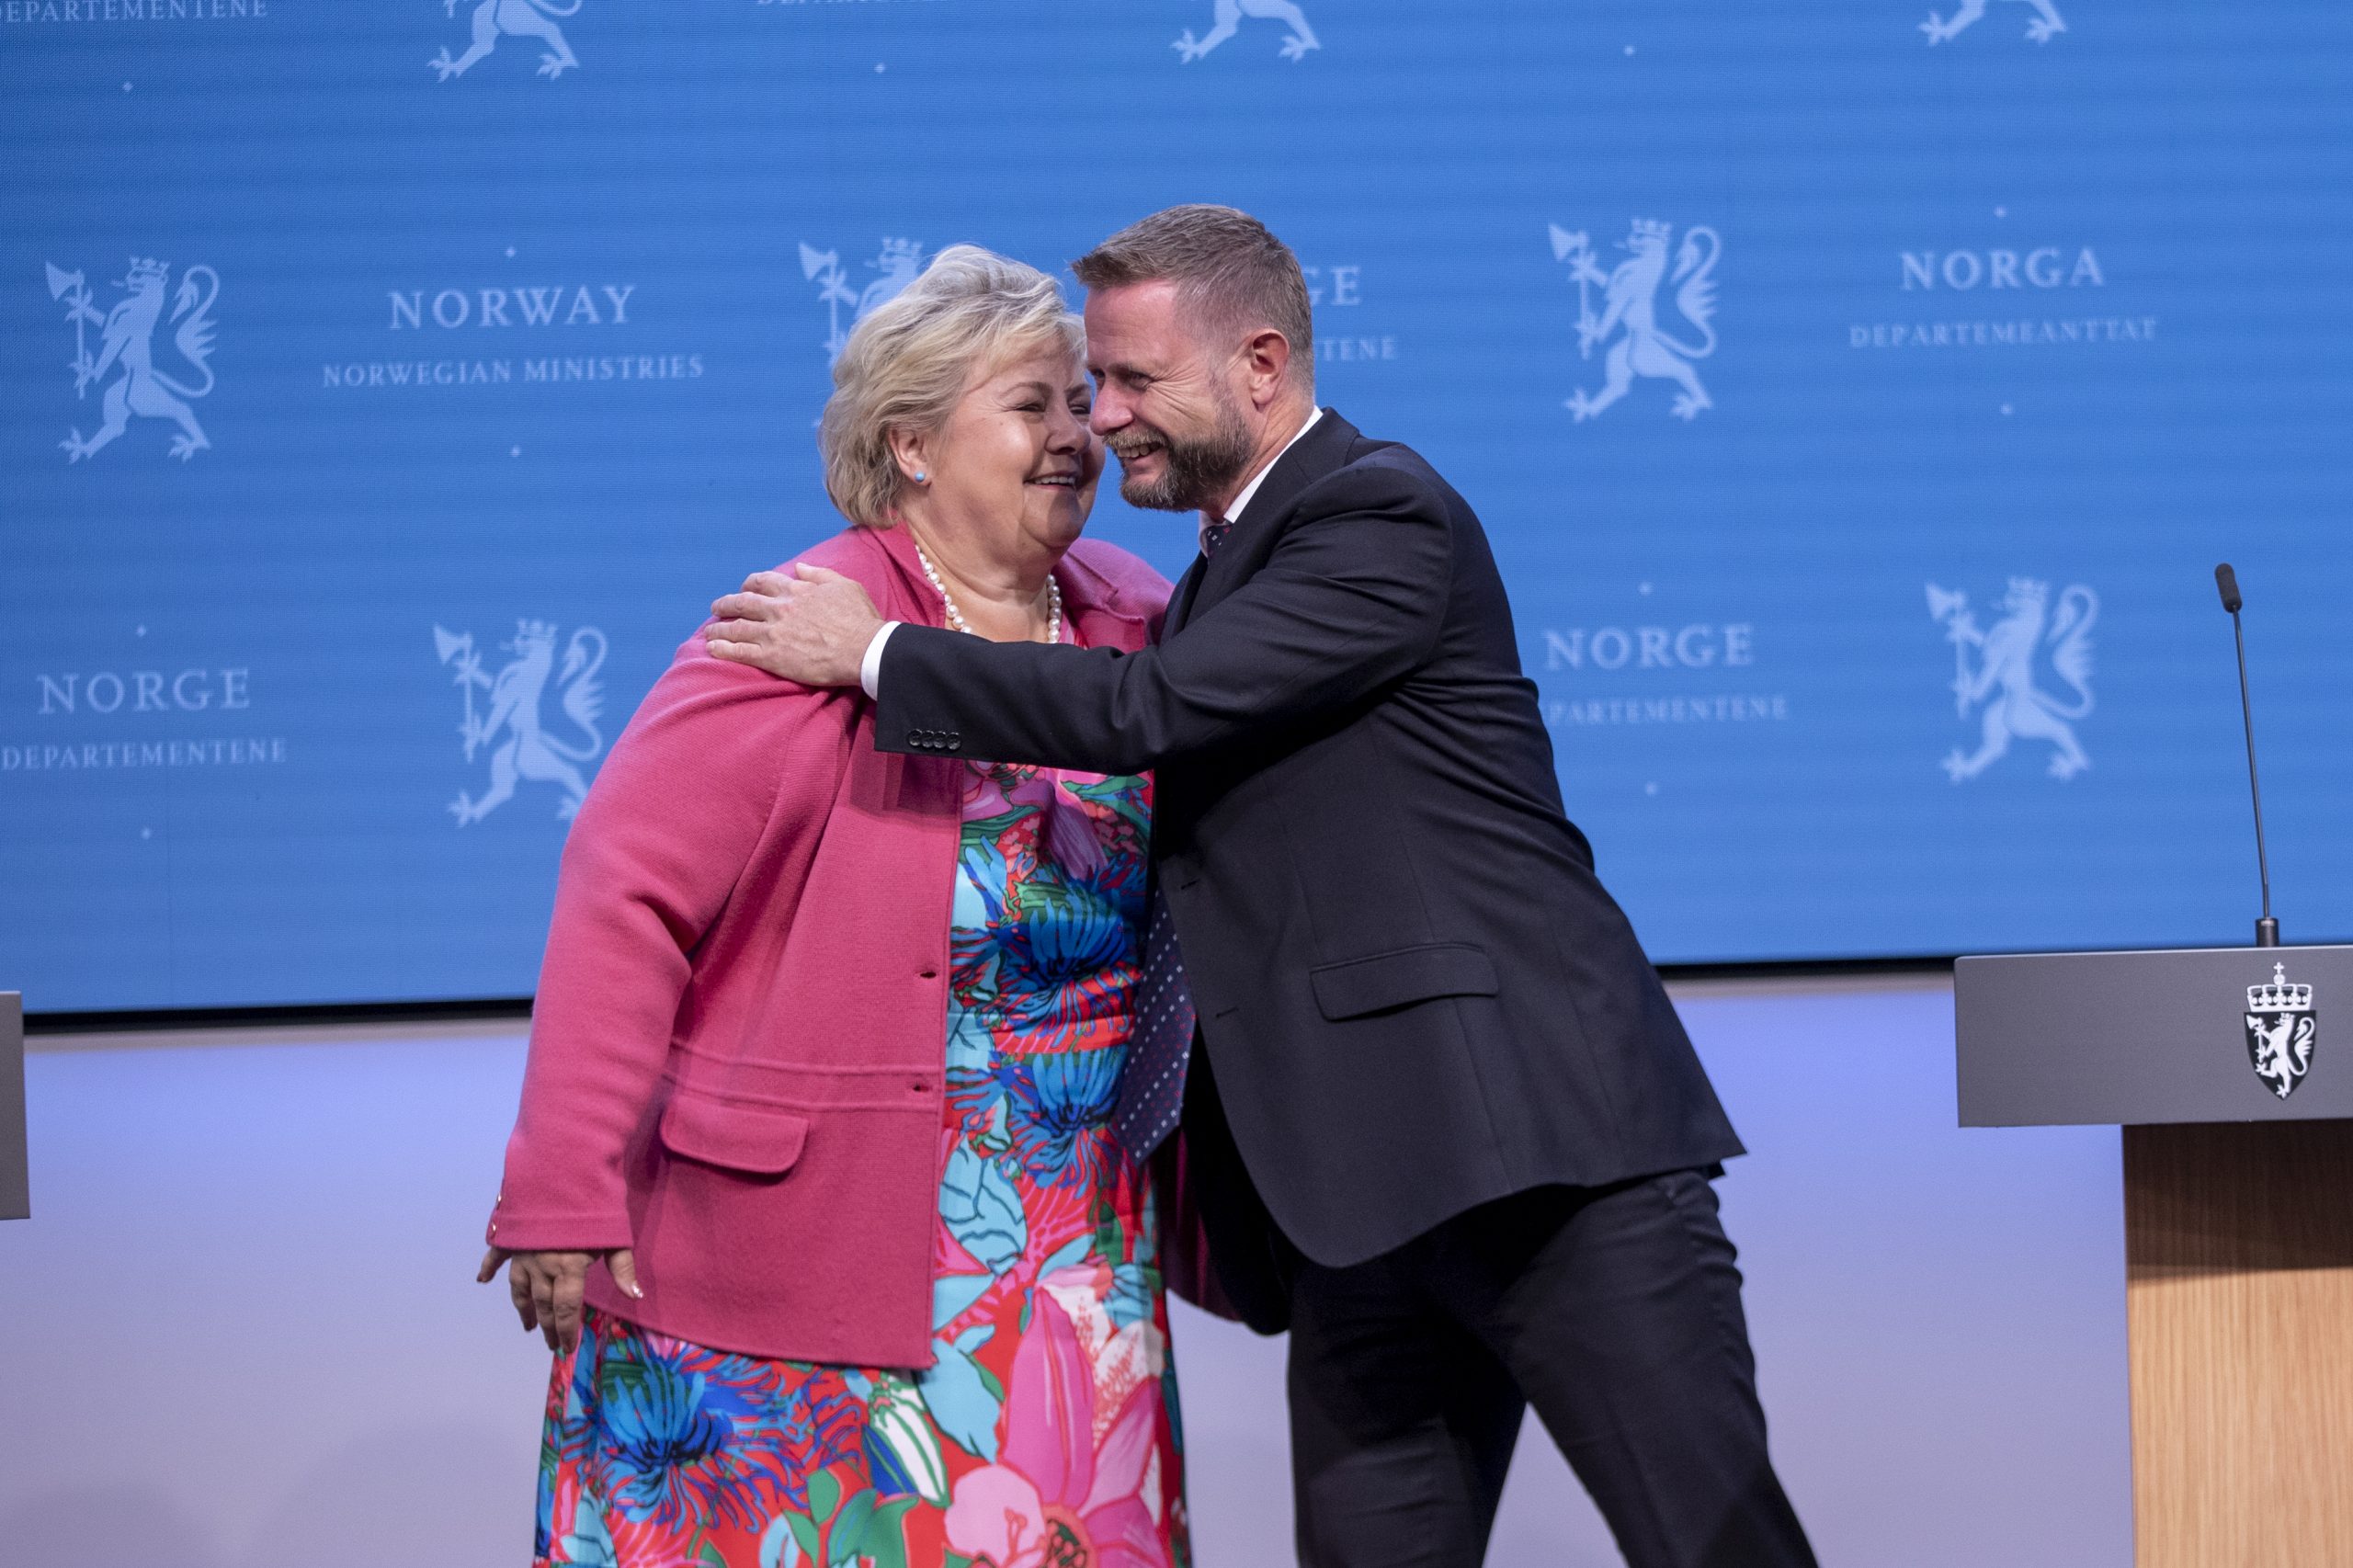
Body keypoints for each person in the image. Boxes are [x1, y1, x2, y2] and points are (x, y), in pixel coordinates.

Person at [704, 206, 1820, 1568]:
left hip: (1546, 1169)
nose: (1105, 418)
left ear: (1261, 364)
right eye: (1091, 383)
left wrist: (881, 653)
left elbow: (1148, 709)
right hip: (1359, 1206)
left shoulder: (1375, 510)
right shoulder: (1220, 576)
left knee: (1717, 1549)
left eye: (1134, 380)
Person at [479, 245, 1194, 1568]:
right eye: (1029, 405)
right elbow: (624, 891)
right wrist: (562, 1190)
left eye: (1078, 401)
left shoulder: (1138, 620)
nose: (1075, 434)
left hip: (1075, 1237)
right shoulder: (801, 627)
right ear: (910, 445)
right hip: (792, 1265)